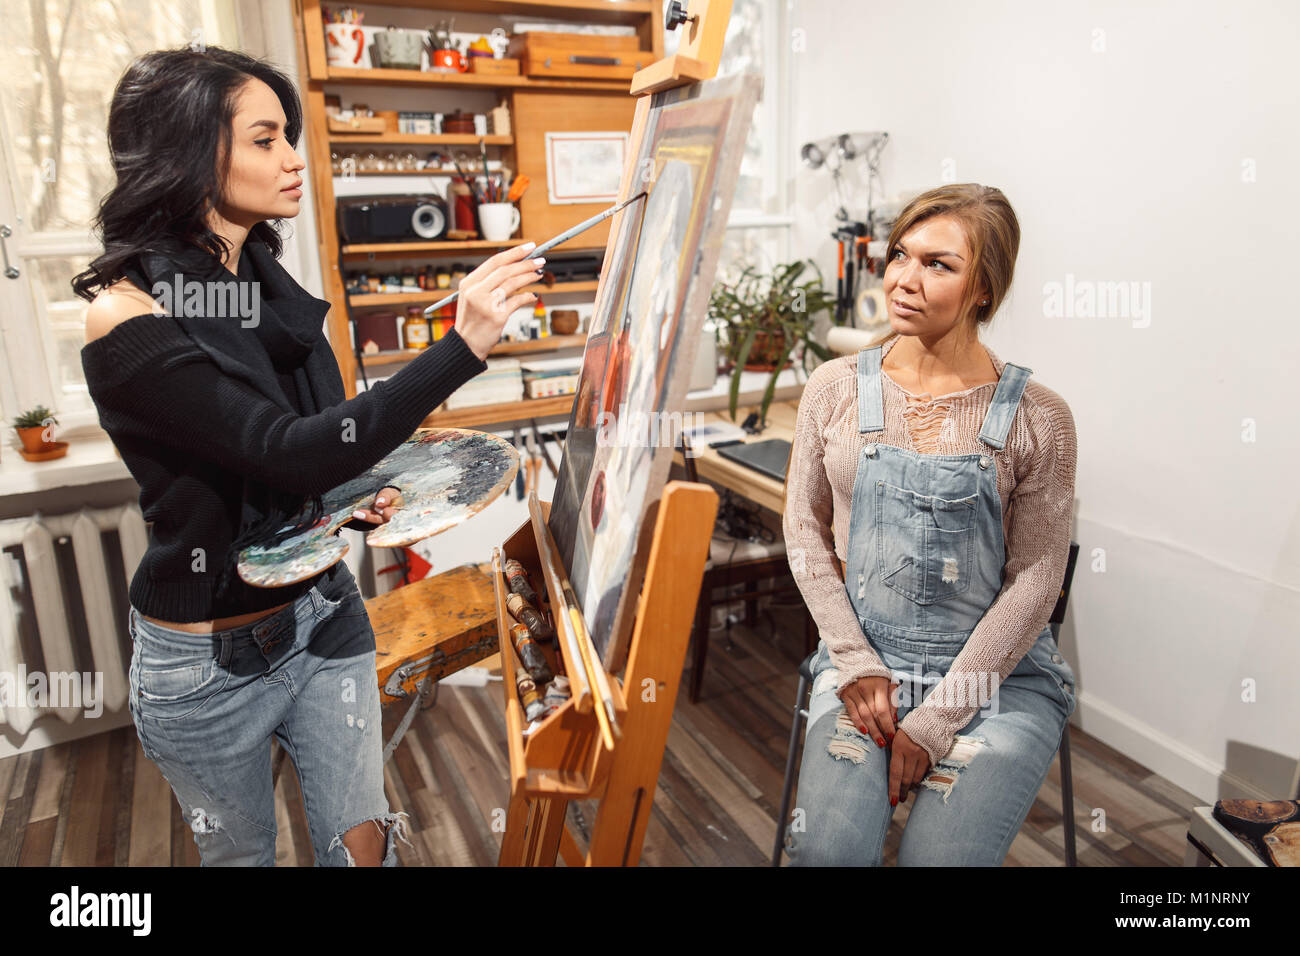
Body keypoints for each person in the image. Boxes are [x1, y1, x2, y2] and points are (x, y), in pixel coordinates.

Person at [73, 46, 544, 865]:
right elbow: (281, 453)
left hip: (322, 618)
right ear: (188, 151)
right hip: (205, 663)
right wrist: (459, 346)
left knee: (364, 852)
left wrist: (361, 493)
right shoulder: (126, 316)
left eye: (289, 135)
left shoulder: (255, 283)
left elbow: (327, 447)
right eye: (265, 140)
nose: (294, 158)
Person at [782, 183, 1079, 866]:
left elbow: (1038, 579)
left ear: (984, 288)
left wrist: (939, 718)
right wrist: (854, 662)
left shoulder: (1040, 417)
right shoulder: (834, 388)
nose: (904, 280)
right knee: (827, 854)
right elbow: (802, 527)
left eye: (938, 264)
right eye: (899, 256)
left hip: (994, 683)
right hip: (865, 667)